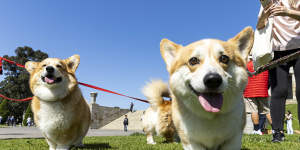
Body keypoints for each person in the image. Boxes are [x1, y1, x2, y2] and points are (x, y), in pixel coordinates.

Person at [257, 0, 300, 142]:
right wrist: (264, 16)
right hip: (277, 51)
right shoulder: (270, 1)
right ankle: (277, 132)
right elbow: (259, 26)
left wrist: (288, 12)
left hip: (299, 47)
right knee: (279, 90)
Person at [244, 56, 272, 135]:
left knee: (253, 110)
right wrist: (266, 88)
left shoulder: (247, 65)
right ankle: (275, 129)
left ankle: (256, 130)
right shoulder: (265, 65)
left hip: (249, 91)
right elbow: (269, 79)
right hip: (262, 90)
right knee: (267, 111)